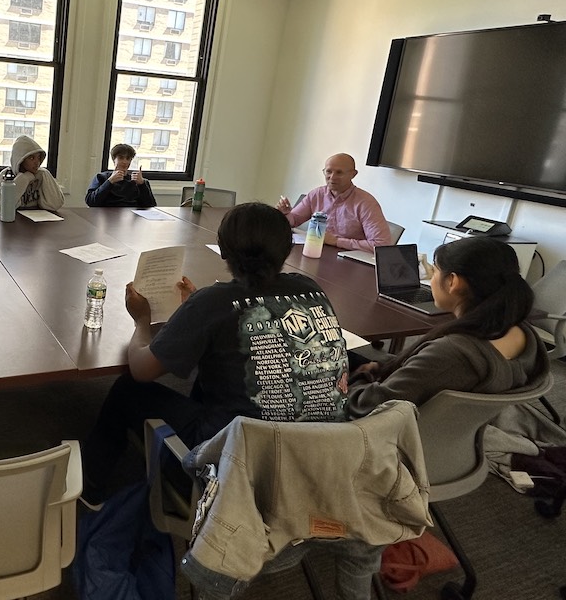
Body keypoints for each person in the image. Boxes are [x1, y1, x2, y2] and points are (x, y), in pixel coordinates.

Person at [81, 202, 349, 504]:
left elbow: (142, 369)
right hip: (318, 457)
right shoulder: (311, 288)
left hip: (237, 465)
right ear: (286, 250)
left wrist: (141, 320)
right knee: (220, 367)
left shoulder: (215, 302)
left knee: (127, 389)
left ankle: (91, 489)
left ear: (222, 250)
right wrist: (197, 309)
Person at [346, 236, 549, 417]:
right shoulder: (522, 333)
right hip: (456, 431)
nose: (432, 279)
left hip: (395, 436)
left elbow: (368, 405)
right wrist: (382, 366)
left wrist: (357, 378)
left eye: (434, 271)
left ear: (453, 282)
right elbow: (425, 373)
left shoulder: (453, 354)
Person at [277, 153, 392, 252]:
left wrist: (336, 241)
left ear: (353, 174)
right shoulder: (317, 194)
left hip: (349, 262)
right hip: (317, 252)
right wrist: (284, 214)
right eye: (328, 171)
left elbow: (382, 245)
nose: (332, 177)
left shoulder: (366, 203)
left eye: (339, 172)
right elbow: (294, 220)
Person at [0, 135, 65, 211]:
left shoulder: (42, 174)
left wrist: (45, 177)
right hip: (12, 219)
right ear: (21, 159)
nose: (37, 163)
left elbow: (56, 204)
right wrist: (24, 179)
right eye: (31, 158)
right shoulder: (6, 175)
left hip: (37, 219)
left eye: (39, 157)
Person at [85, 142, 157, 208]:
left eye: (128, 158)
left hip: (131, 217)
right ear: (114, 160)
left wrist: (142, 185)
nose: (125, 162)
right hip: (108, 217)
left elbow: (151, 206)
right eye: (121, 158)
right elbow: (91, 202)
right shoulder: (101, 177)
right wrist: (110, 181)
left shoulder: (138, 181)